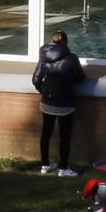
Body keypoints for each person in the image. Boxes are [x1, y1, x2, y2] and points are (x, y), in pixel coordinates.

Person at [31, 29, 86, 178]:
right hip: (65, 102)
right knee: (64, 136)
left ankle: (45, 165)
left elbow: (36, 79)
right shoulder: (71, 58)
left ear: (52, 41)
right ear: (66, 42)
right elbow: (81, 78)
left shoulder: (43, 58)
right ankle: (63, 168)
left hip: (47, 101)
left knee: (46, 133)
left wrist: (44, 91)